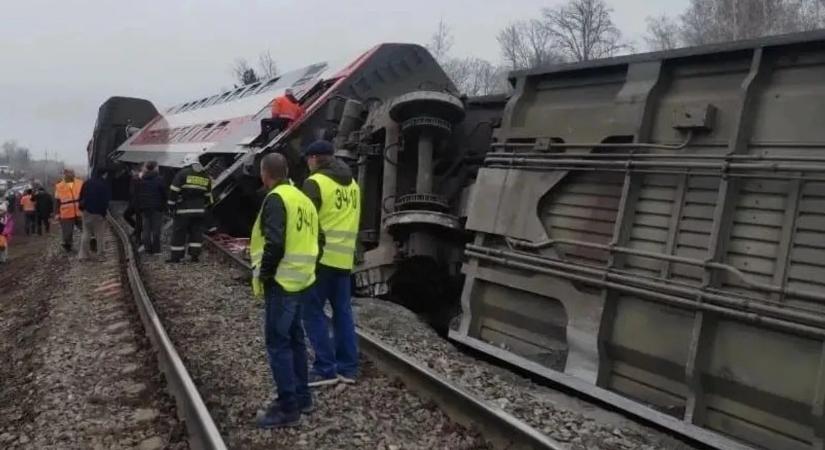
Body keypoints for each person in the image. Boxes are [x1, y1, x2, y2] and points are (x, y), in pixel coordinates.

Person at [250, 152, 318, 428]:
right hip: (301, 279)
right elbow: (319, 239)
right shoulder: (303, 199)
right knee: (295, 339)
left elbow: (274, 242)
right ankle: (303, 397)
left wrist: (265, 274)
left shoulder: (276, 199)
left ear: (265, 174)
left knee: (278, 344)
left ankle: (287, 407)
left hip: (281, 281)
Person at [300, 140, 361, 386]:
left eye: (308, 159)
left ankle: (324, 368)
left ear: (314, 158)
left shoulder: (315, 183)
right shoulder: (354, 185)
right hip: (344, 260)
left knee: (311, 312)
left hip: (320, 259)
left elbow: (305, 223)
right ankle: (348, 368)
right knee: (343, 313)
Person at [167, 154, 212, 263]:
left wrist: (171, 206)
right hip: (199, 211)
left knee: (179, 233)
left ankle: (176, 257)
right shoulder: (205, 176)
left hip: (183, 210)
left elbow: (174, 191)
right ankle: (194, 257)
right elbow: (208, 196)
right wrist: (201, 206)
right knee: (196, 233)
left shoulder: (182, 174)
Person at [77, 171, 112, 261]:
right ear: (104, 174)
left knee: (86, 233)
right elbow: (105, 200)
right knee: (99, 235)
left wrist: (83, 209)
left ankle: (83, 255)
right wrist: (104, 213)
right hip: (98, 213)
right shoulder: (104, 184)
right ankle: (100, 256)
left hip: (86, 212)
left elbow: (80, 197)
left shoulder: (86, 183)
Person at [134, 162, 166, 254]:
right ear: (155, 168)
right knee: (156, 230)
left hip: (145, 208)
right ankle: (156, 249)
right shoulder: (159, 179)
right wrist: (164, 204)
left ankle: (148, 248)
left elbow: (138, 194)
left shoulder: (141, 179)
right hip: (156, 208)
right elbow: (164, 193)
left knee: (146, 229)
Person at [54, 169, 84, 252]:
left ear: (73, 174)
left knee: (86, 229)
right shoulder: (59, 186)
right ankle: (67, 245)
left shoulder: (80, 183)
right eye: (67, 173)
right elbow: (57, 201)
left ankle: (91, 243)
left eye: (71, 173)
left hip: (80, 211)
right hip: (66, 213)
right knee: (67, 232)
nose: (69, 175)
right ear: (64, 175)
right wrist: (57, 213)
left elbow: (85, 195)